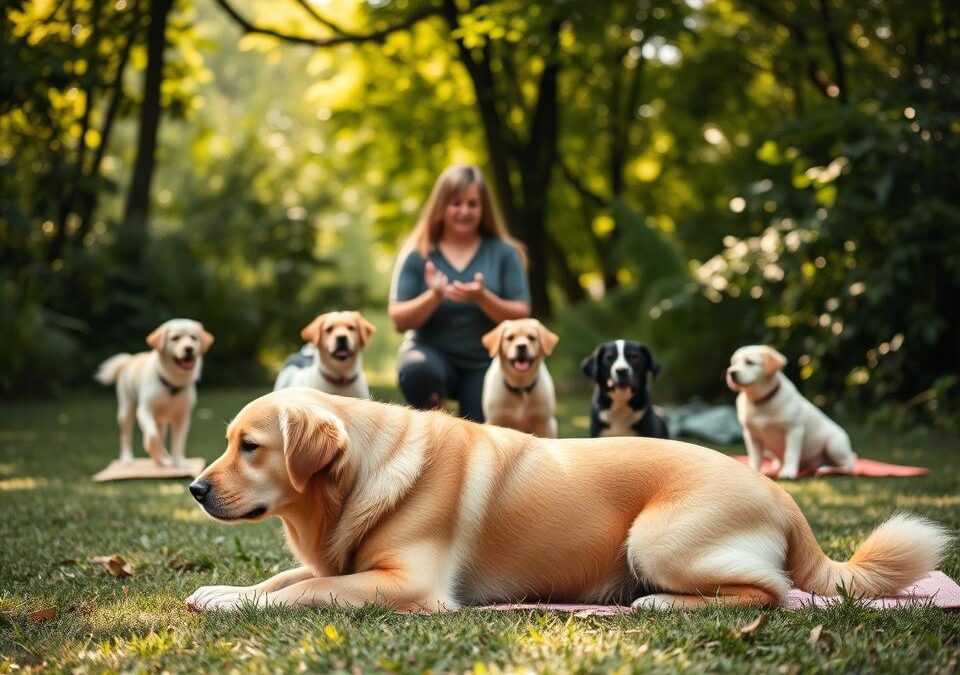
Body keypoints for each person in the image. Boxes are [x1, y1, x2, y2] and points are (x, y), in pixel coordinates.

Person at [388, 165, 531, 421]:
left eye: (472, 204)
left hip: (483, 363)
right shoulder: (417, 253)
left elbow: (522, 314)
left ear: (483, 209)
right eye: (456, 203)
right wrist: (433, 296)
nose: (464, 211)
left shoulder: (505, 253)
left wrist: (483, 298)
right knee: (417, 372)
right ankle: (440, 426)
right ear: (442, 206)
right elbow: (398, 320)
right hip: (430, 356)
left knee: (478, 434)